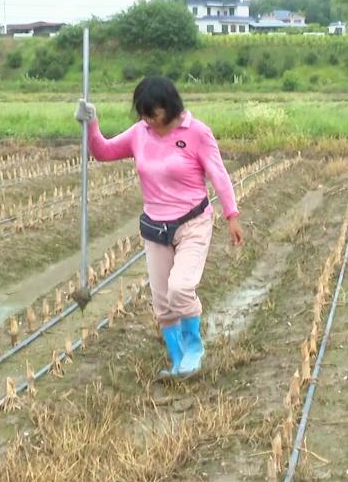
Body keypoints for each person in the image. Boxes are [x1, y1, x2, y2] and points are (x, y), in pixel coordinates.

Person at [75, 76, 244, 378]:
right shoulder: (140, 133)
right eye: (143, 113)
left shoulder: (197, 133)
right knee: (163, 303)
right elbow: (103, 152)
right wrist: (91, 123)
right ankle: (178, 360)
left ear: (169, 106)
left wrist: (232, 214)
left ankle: (194, 348)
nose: (148, 119)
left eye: (153, 113)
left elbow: (218, 174)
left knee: (181, 288)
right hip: (156, 228)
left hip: (192, 223)